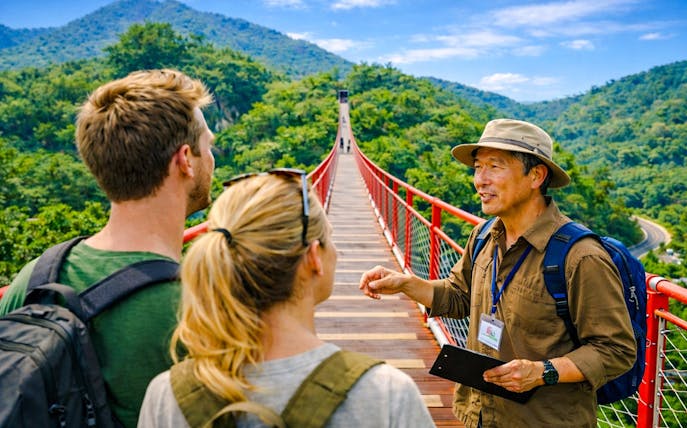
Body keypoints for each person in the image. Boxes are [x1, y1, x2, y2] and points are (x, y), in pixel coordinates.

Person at [359, 118, 636, 427]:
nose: (480, 180)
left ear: (536, 176)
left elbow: (616, 350)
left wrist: (543, 372)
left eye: (495, 166)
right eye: (478, 167)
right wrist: (406, 284)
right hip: (479, 413)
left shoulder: (580, 257)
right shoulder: (484, 235)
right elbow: (459, 295)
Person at [0, 69, 215, 427]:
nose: (212, 158)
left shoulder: (34, 278)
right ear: (184, 160)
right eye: (208, 146)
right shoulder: (200, 311)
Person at [138, 170, 435, 427]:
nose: (338, 252)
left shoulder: (166, 397)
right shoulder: (385, 396)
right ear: (314, 258)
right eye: (330, 239)